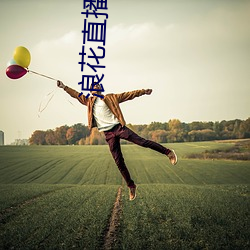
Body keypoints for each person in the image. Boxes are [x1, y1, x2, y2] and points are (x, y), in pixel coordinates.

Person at [57, 81, 177, 201]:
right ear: (90, 91)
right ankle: (131, 186)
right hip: (108, 134)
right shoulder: (88, 101)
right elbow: (75, 94)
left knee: (142, 142)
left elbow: (129, 94)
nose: (96, 88)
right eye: (94, 87)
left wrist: (143, 92)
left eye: (98, 86)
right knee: (118, 161)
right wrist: (64, 87)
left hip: (119, 128)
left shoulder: (111, 97)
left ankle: (168, 152)